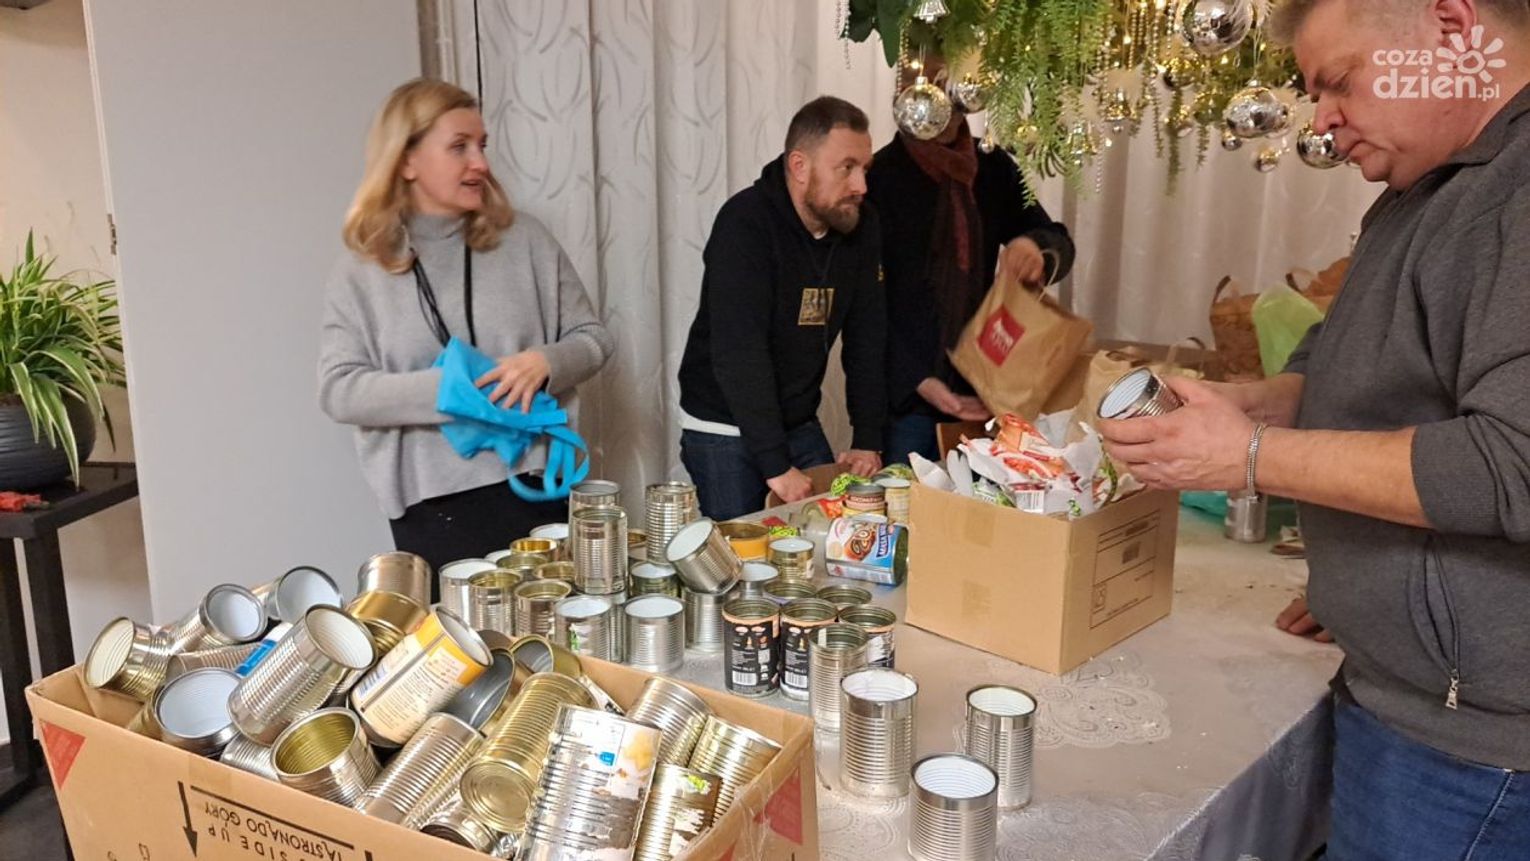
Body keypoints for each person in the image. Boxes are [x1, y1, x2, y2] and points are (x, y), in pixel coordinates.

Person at [1099, 0, 1530, 854]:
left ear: (1451, 28)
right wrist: (1262, 404)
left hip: (1469, 753)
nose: (1324, 121)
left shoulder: (1514, 194)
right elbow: (1354, 367)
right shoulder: (1421, 192)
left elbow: (1510, 463)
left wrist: (1252, 455)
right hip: (1404, 697)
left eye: (1340, 81)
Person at [319, 79, 613, 576]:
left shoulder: (526, 240)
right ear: (406, 160)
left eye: (482, 145)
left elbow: (595, 338)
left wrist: (546, 363)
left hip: (537, 487)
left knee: (555, 624)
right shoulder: (364, 269)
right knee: (461, 631)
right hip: (435, 508)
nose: (480, 163)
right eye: (459, 146)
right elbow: (338, 391)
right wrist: (453, 391)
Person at [677, 96, 886, 520]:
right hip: (723, 424)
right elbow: (739, 351)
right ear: (799, 166)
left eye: (865, 168)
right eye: (847, 167)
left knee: (830, 533)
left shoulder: (861, 226)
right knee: (745, 551)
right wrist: (775, 464)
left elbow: (868, 336)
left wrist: (867, 437)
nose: (861, 185)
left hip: (796, 419)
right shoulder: (745, 223)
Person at [868, 58, 1075, 465]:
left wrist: (1034, 249)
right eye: (932, 94)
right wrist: (915, 378)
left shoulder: (992, 166)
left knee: (981, 501)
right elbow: (865, 305)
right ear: (905, 98)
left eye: (955, 93)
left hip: (984, 387)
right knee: (907, 500)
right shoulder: (879, 177)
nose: (946, 108)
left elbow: (1057, 241)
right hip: (908, 398)